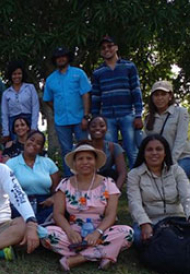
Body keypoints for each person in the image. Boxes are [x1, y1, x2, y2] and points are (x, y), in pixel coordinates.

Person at [40, 144, 133, 272]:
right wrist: (70, 232)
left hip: (101, 233)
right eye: (80, 159)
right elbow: (58, 214)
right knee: (45, 234)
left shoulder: (108, 183)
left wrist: (97, 233)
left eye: (89, 158)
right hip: (73, 236)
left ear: (95, 162)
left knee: (127, 233)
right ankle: (103, 253)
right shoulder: (65, 184)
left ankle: (77, 258)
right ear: (75, 163)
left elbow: (111, 215)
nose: (85, 162)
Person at [127, 135, 190, 246]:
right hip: (151, 221)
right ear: (143, 153)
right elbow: (134, 203)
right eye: (149, 149)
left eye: (159, 149)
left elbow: (187, 197)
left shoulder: (176, 171)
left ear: (165, 153)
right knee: (136, 237)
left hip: (176, 219)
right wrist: (144, 223)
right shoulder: (134, 174)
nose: (154, 153)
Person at [91, 36, 144, 166]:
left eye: (109, 46)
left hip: (127, 114)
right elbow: (96, 97)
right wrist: (95, 117)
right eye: (103, 48)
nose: (106, 49)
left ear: (116, 47)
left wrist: (138, 115)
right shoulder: (98, 72)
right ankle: (113, 182)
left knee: (132, 150)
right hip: (107, 117)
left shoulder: (129, 66)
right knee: (110, 151)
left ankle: (136, 181)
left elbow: (136, 91)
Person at [43, 46, 92, 177]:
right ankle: (70, 181)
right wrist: (58, 109)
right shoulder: (50, 79)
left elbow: (86, 94)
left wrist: (86, 116)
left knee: (85, 148)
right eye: (58, 57)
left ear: (68, 58)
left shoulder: (78, 73)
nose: (61, 59)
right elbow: (47, 99)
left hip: (79, 118)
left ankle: (88, 178)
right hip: (61, 121)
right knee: (66, 151)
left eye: (63, 56)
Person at [6, 131, 60, 224]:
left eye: (38, 143)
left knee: (58, 211)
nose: (34, 144)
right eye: (32, 140)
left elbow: (58, 189)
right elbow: (7, 190)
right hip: (21, 202)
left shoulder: (48, 162)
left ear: (41, 149)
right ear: (25, 141)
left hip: (45, 203)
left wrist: (53, 198)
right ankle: (35, 226)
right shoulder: (11, 163)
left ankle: (34, 226)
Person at [143, 81, 190, 178]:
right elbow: (146, 143)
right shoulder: (148, 118)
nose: (159, 98)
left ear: (170, 96)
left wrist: (171, 162)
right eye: (156, 95)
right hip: (158, 160)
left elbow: (180, 139)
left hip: (182, 158)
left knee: (174, 176)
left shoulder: (181, 112)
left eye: (163, 94)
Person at [0, 60, 39, 143]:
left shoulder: (30, 88)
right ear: (10, 75)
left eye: (19, 73)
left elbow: (35, 107)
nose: (17, 76)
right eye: (14, 74)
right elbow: (4, 114)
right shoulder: (6, 93)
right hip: (14, 124)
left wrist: (33, 127)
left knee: (31, 146)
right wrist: (6, 132)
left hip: (29, 121)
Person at [87, 116, 127, 189]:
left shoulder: (114, 147)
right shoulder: (83, 148)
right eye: (93, 126)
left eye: (102, 126)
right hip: (87, 180)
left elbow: (122, 173)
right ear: (88, 129)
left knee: (111, 172)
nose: (98, 128)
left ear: (106, 129)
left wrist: (116, 192)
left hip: (106, 182)